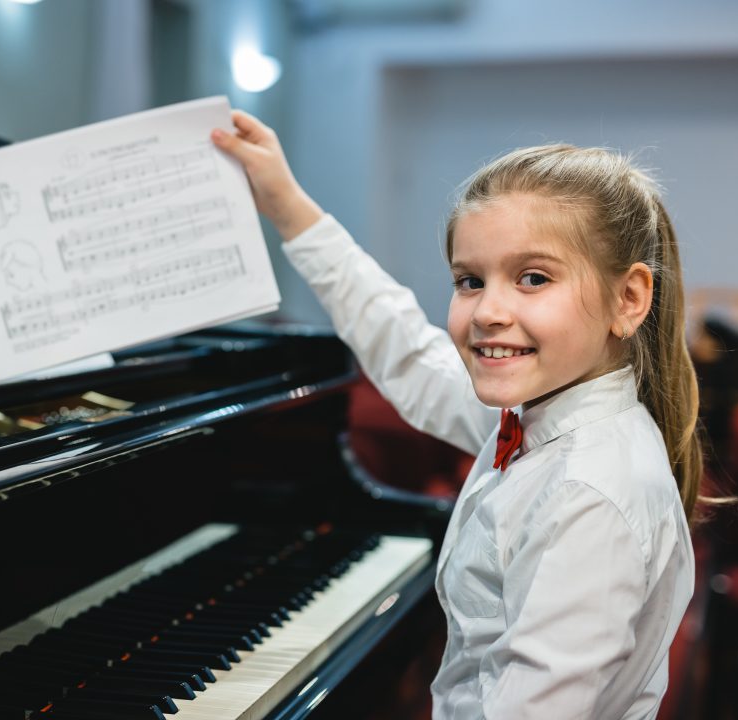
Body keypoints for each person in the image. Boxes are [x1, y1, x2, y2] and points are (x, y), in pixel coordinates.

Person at [211, 112, 698, 718]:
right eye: (470, 280)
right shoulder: (540, 418)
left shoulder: (586, 491)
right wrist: (288, 208)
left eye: (533, 278)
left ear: (627, 300)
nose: (489, 310)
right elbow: (413, 358)